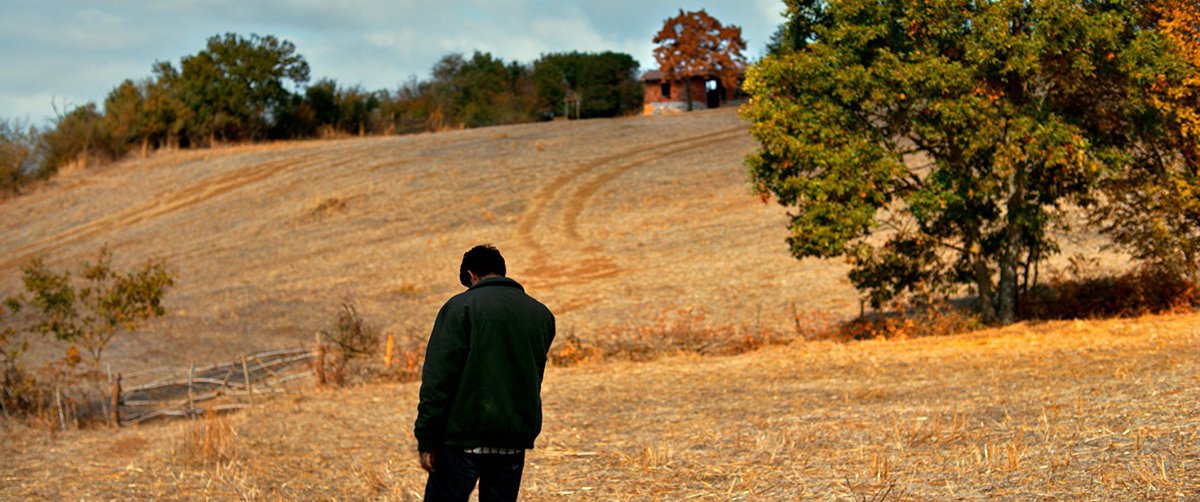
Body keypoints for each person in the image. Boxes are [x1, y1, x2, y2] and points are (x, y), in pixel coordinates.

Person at [414, 244, 556, 501]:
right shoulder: (541, 314)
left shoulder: (459, 309)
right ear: (501, 272)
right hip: (513, 441)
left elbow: (438, 380)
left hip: (463, 440)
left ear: (470, 276)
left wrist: (426, 438)